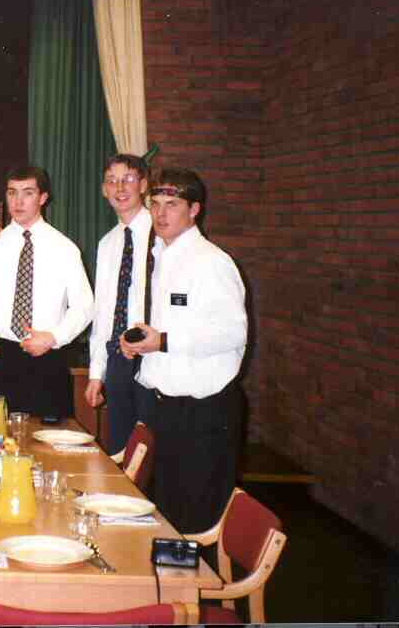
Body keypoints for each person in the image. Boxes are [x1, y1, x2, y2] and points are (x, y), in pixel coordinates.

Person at [123, 168, 247, 534]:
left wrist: (162, 341)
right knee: (169, 517)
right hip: (167, 409)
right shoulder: (161, 256)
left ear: (195, 210)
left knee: (194, 519)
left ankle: (196, 593)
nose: (161, 214)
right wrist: (139, 346)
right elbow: (165, 327)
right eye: (156, 204)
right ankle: (173, 593)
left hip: (204, 415)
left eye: (172, 205)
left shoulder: (212, 262)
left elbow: (232, 333)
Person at [0, 165, 94, 418]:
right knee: (0, 441)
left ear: (43, 198)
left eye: (27, 193)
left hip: (49, 354)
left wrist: (54, 337)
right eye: (12, 193)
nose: (18, 202)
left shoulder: (64, 248)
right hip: (2, 356)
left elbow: (84, 306)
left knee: (51, 445)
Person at [86, 153, 154, 455]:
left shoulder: (161, 232)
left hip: (153, 357)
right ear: (103, 189)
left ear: (143, 184)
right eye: (112, 181)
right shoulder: (108, 243)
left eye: (127, 179)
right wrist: (95, 373)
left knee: (150, 456)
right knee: (120, 451)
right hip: (118, 359)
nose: (119, 188)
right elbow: (103, 311)